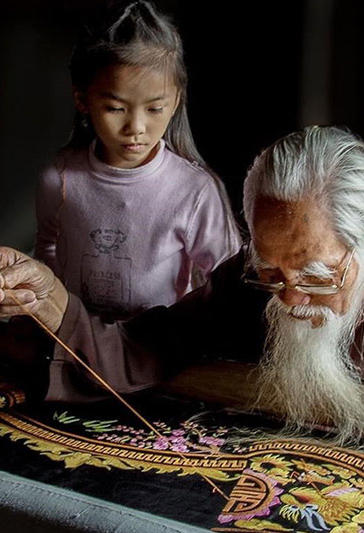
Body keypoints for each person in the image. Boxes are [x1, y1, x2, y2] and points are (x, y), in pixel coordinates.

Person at [0, 126, 364, 452]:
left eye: (315, 276)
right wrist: (51, 300)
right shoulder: (249, 283)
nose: (289, 299)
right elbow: (142, 350)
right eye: (272, 272)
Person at [34, 0, 241, 320]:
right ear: (82, 99)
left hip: (158, 349)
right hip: (76, 340)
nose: (136, 128)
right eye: (116, 108)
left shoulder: (194, 190)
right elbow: (48, 246)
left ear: (175, 102)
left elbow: (227, 279)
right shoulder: (60, 176)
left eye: (155, 109)